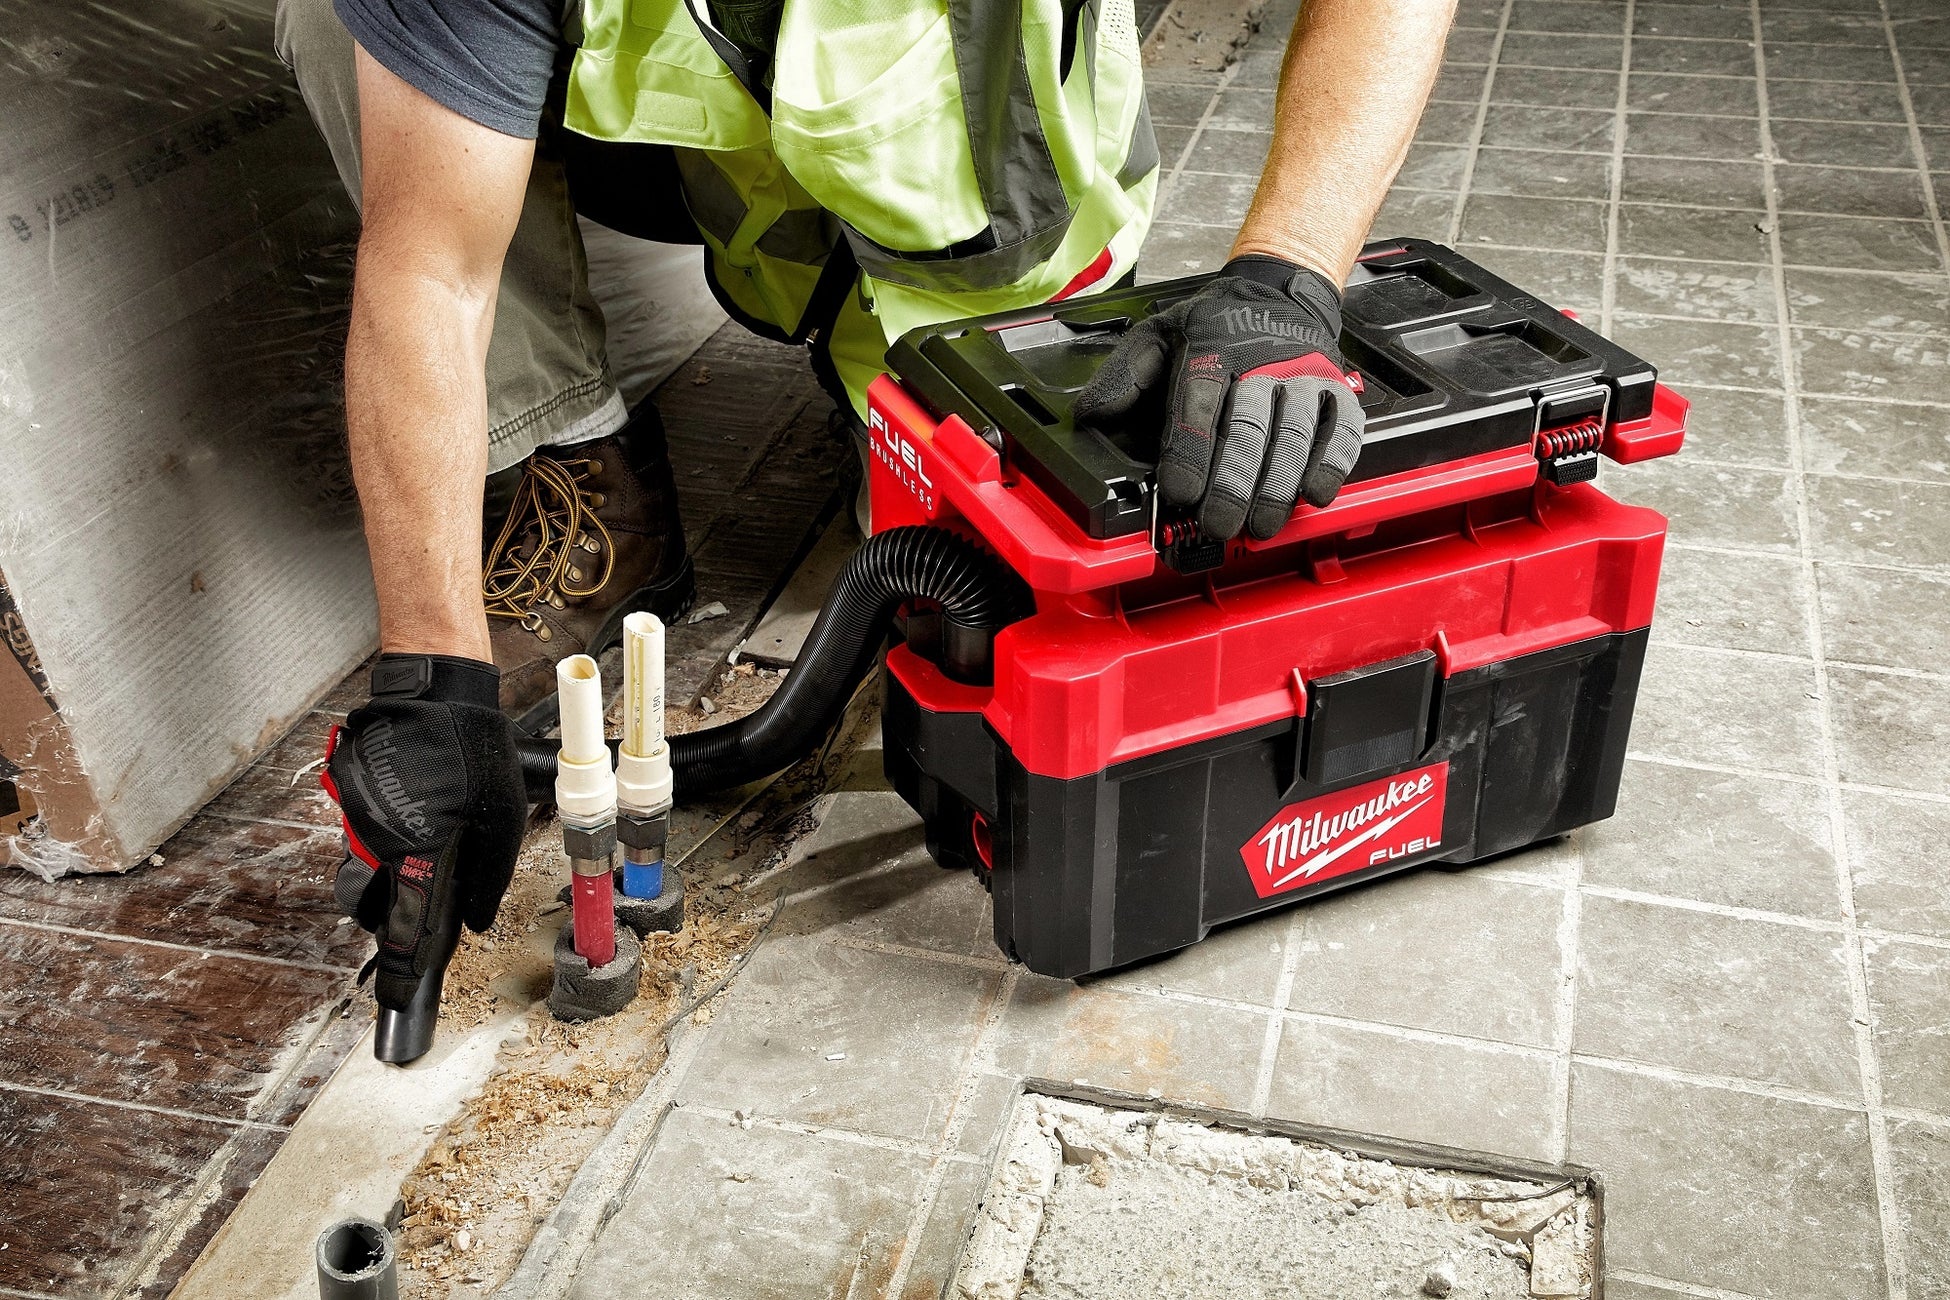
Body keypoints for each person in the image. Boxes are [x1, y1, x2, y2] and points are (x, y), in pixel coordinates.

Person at [289, 0, 1457, 1020]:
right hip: (698, 142)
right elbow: (433, 265)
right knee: (346, 32)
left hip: (978, 187)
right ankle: (584, 469)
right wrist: (430, 671)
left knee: (975, 561)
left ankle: (902, 380)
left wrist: (1287, 270)